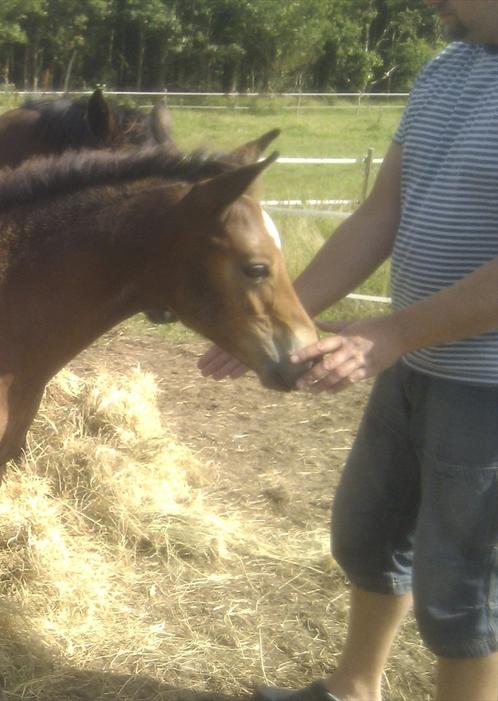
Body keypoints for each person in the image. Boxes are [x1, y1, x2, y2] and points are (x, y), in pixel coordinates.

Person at [198, 2, 498, 700]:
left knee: (463, 588)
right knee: (367, 536)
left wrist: (392, 333)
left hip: (485, 386)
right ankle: (354, 688)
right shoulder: (445, 72)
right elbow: (380, 216)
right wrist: (275, 318)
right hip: (414, 362)